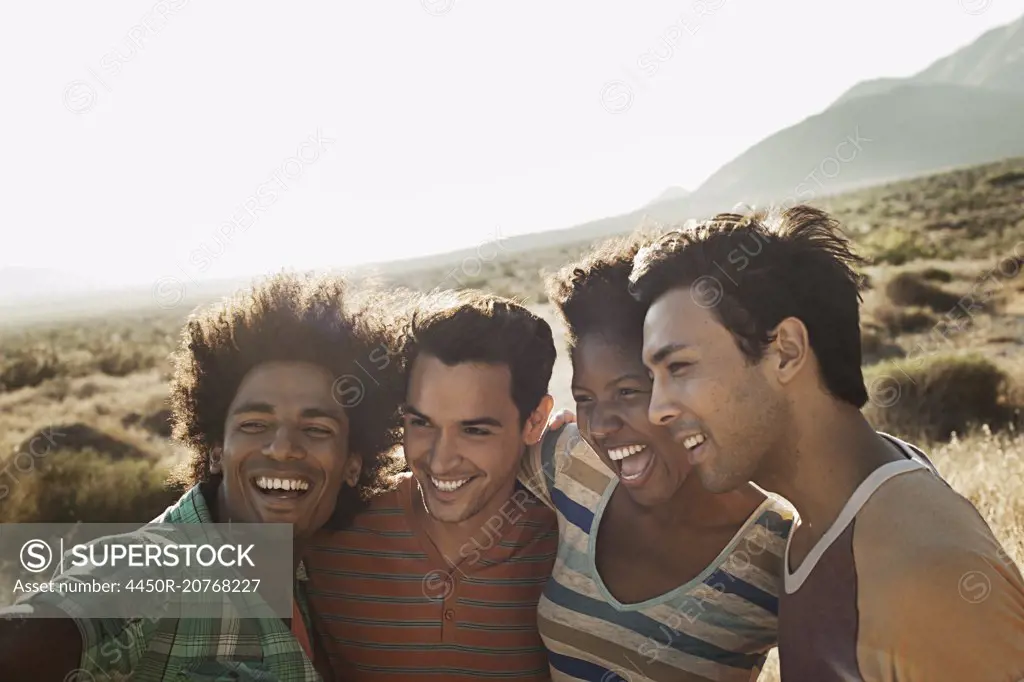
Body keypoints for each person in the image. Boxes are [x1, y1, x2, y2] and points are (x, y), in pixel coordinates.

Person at [628, 205, 1024, 681]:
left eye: (680, 368)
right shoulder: (821, 518)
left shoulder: (926, 574)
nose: (657, 410)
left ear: (787, 352)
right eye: (652, 377)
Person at [0, 273, 405, 681]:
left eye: (317, 429)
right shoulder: (157, 568)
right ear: (215, 450)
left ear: (353, 463)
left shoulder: (317, 577)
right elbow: (46, 625)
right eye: (254, 424)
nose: (282, 448)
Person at [518, 232, 795, 682]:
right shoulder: (567, 462)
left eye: (628, 392)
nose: (601, 426)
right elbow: (458, 473)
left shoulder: (777, 550)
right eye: (586, 398)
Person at [302, 289, 560, 681]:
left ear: (535, 421)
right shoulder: (331, 527)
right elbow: (183, 575)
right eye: (420, 423)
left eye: (474, 430)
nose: (439, 460)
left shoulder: (569, 547)